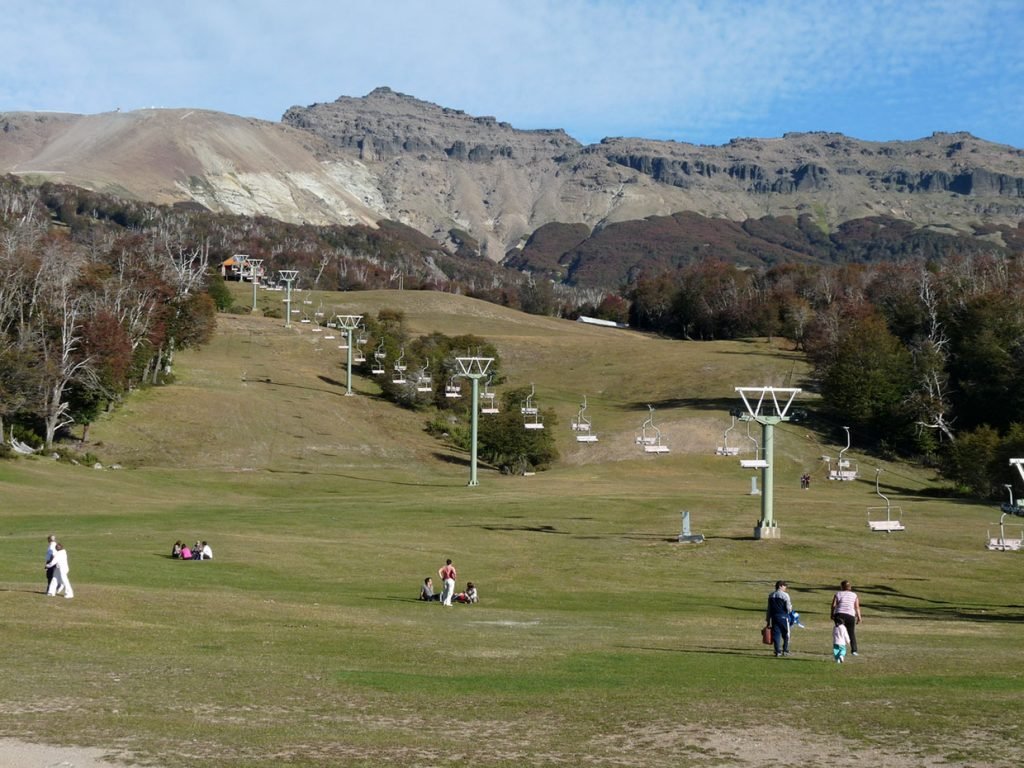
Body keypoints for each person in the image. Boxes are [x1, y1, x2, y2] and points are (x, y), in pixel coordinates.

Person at [830, 580, 862, 656]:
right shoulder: (854, 595)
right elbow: (857, 607)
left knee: (840, 632)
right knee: (851, 633)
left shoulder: (838, 594)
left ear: (841, 587)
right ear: (850, 587)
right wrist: (859, 617)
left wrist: (832, 614)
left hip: (839, 615)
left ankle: (840, 650)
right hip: (850, 615)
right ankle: (854, 650)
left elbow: (833, 605)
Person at [765, 580, 793, 657]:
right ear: (780, 586)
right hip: (784, 617)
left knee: (776, 634)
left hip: (774, 617)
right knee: (786, 634)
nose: (785, 587)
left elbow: (769, 609)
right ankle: (785, 650)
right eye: (784, 586)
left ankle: (777, 651)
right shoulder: (785, 595)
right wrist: (791, 610)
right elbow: (788, 608)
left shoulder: (771, 595)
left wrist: (768, 620)